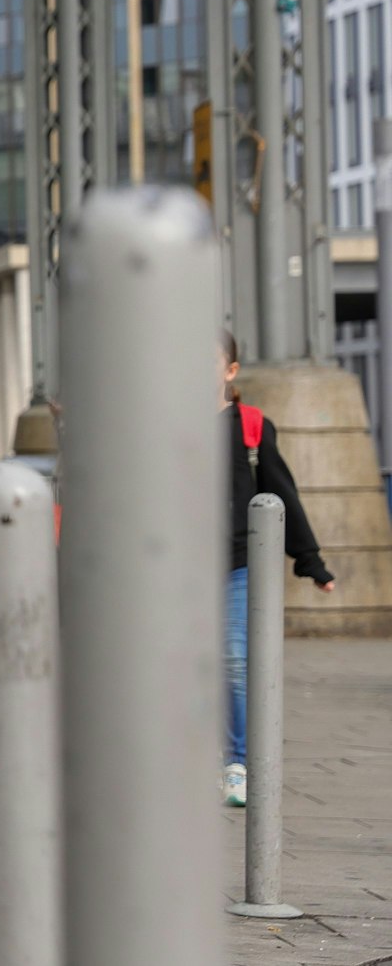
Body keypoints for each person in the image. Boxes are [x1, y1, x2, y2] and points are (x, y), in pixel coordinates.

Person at [218, 331, 334, 807]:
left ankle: (237, 763)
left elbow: (281, 492)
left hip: (238, 565)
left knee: (233, 660)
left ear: (231, 371)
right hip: (175, 566)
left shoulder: (250, 424)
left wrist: (311, 561)